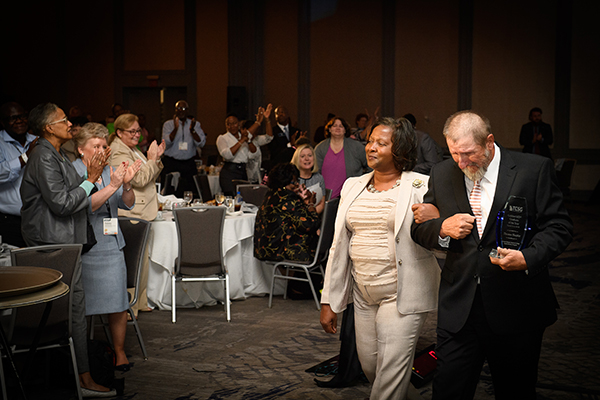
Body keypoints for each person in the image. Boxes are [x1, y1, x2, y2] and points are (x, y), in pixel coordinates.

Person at [411, 110, 573, 400]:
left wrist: (528, 258)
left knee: (515, 391)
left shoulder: (533, 169)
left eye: (468, 153)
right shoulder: (442, 172)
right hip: (459, 308)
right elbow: (420, 229)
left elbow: (559, 227)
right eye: (453, 154)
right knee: (448, 390)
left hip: (516, 307)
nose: (461, 163)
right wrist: (442, 228)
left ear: (489, 142)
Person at [319, 117, 441, 399]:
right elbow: (338, 247)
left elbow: (443, 238)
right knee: (374, 367)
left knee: (388, 374)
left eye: (381, 143)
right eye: (370, 141)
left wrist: (438, 219)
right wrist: (330, 300)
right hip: (363, 294)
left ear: (399, 150)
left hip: (402, 293)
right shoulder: (353, 185)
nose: (371, 148)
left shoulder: (422, 185)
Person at [20, 102, 116, 397]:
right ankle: (79, 380)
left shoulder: (57, 153)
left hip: (65, 240)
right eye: (63, 120)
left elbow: (77, 194)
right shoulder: (43, 156)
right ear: (49, 127)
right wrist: (90, 178)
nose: (69, 124)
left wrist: (92, 174)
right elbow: (62, 203)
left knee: (75, 308)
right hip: (53, 243)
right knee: (69, 310)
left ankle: (80, 377)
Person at [73, 122, 141, 371]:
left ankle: (120, 352)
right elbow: (85, 205)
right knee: (82, 304)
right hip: (86, 246)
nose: (102, 149)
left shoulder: (111, 170)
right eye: (96, 145)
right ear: (81, 150)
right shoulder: (73, 172)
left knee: (117, 301)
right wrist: (113, 185)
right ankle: (85, 354)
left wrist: (126, 185)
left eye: (104, 145)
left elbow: (128, 204)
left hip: (111, 245)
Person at [110, 113, 165, 317]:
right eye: (131, 131)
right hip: (132, 210)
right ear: (119, 132)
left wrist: (154, 159)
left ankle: (139, 301)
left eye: (138, 130)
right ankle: (129, 307)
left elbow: (147, 174)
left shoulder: (131, 149)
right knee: (132, 261)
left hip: (142, 210)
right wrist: (153, 159)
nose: (136, 135)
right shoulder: (118, 152)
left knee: (142, 260)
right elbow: (139, 180)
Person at [254, 163, 320, 262]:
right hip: (282, 251)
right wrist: (311, 205)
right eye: (293, 182)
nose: (297, 184)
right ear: (283, 183)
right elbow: (310, 224)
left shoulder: (271, 194)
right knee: (323, 243)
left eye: (297, 181)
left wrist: (303, 203)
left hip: (265, 248)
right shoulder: (288, 198)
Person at [0, 102, 37, 247]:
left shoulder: (36, 140)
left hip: (37, 218)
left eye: (22, 116)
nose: (19, 121)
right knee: (15, 267)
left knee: (37, 265)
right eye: (13, 118)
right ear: (3, 122)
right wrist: (26, 157)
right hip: (9, 221)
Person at [314, 116, 369, 199]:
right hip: (325, 198)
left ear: (345, 130)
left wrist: (364, 183)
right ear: (329, 129)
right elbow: (315, 172)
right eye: (335, 125)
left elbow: (371, 165)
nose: (338, 128)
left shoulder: (356, 147)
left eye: (341, 126)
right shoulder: (320, 148)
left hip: (350, 196)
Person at [161, 100, 206, 197]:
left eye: (184, 109)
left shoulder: (195, 124)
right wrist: (176, 129)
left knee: (191, 192)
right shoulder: (168, 124)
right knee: (169, 191)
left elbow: (201, 143)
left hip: (188, 163)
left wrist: (192, 130)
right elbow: (166, 143)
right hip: (171, 163)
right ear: (175, 110)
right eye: (179, 108)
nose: (181, 111)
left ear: (188, 111)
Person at [291, 143, 326, 213]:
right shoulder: (291, 179)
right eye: (302, 156)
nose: (307, 159)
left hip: (314, 217)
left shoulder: (319, 178)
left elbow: (322, 203)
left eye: (310, 155)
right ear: (297, 159)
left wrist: (310, 216)